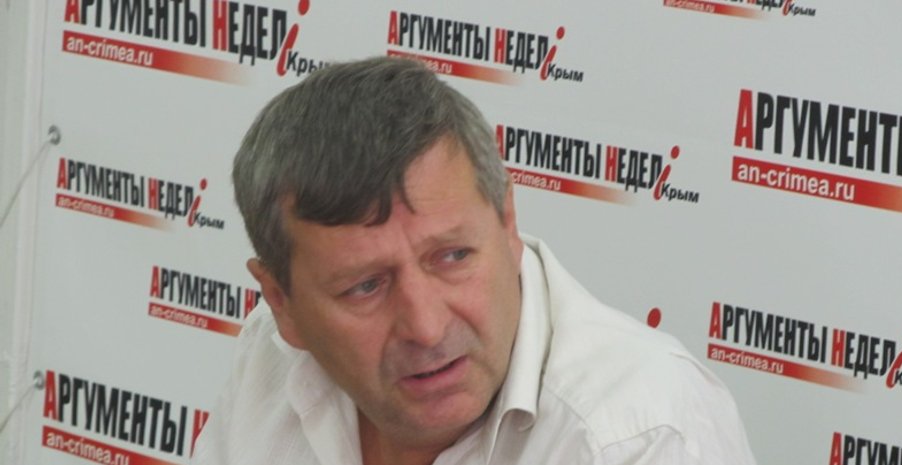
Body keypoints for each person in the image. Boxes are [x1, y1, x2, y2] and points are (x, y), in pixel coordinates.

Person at [192, 56, 757, 465]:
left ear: (507, 222)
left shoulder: (641, 436)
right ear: (282, 303)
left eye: (452, 256)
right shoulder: (271, 351)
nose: (426, 326)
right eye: (365, 287)